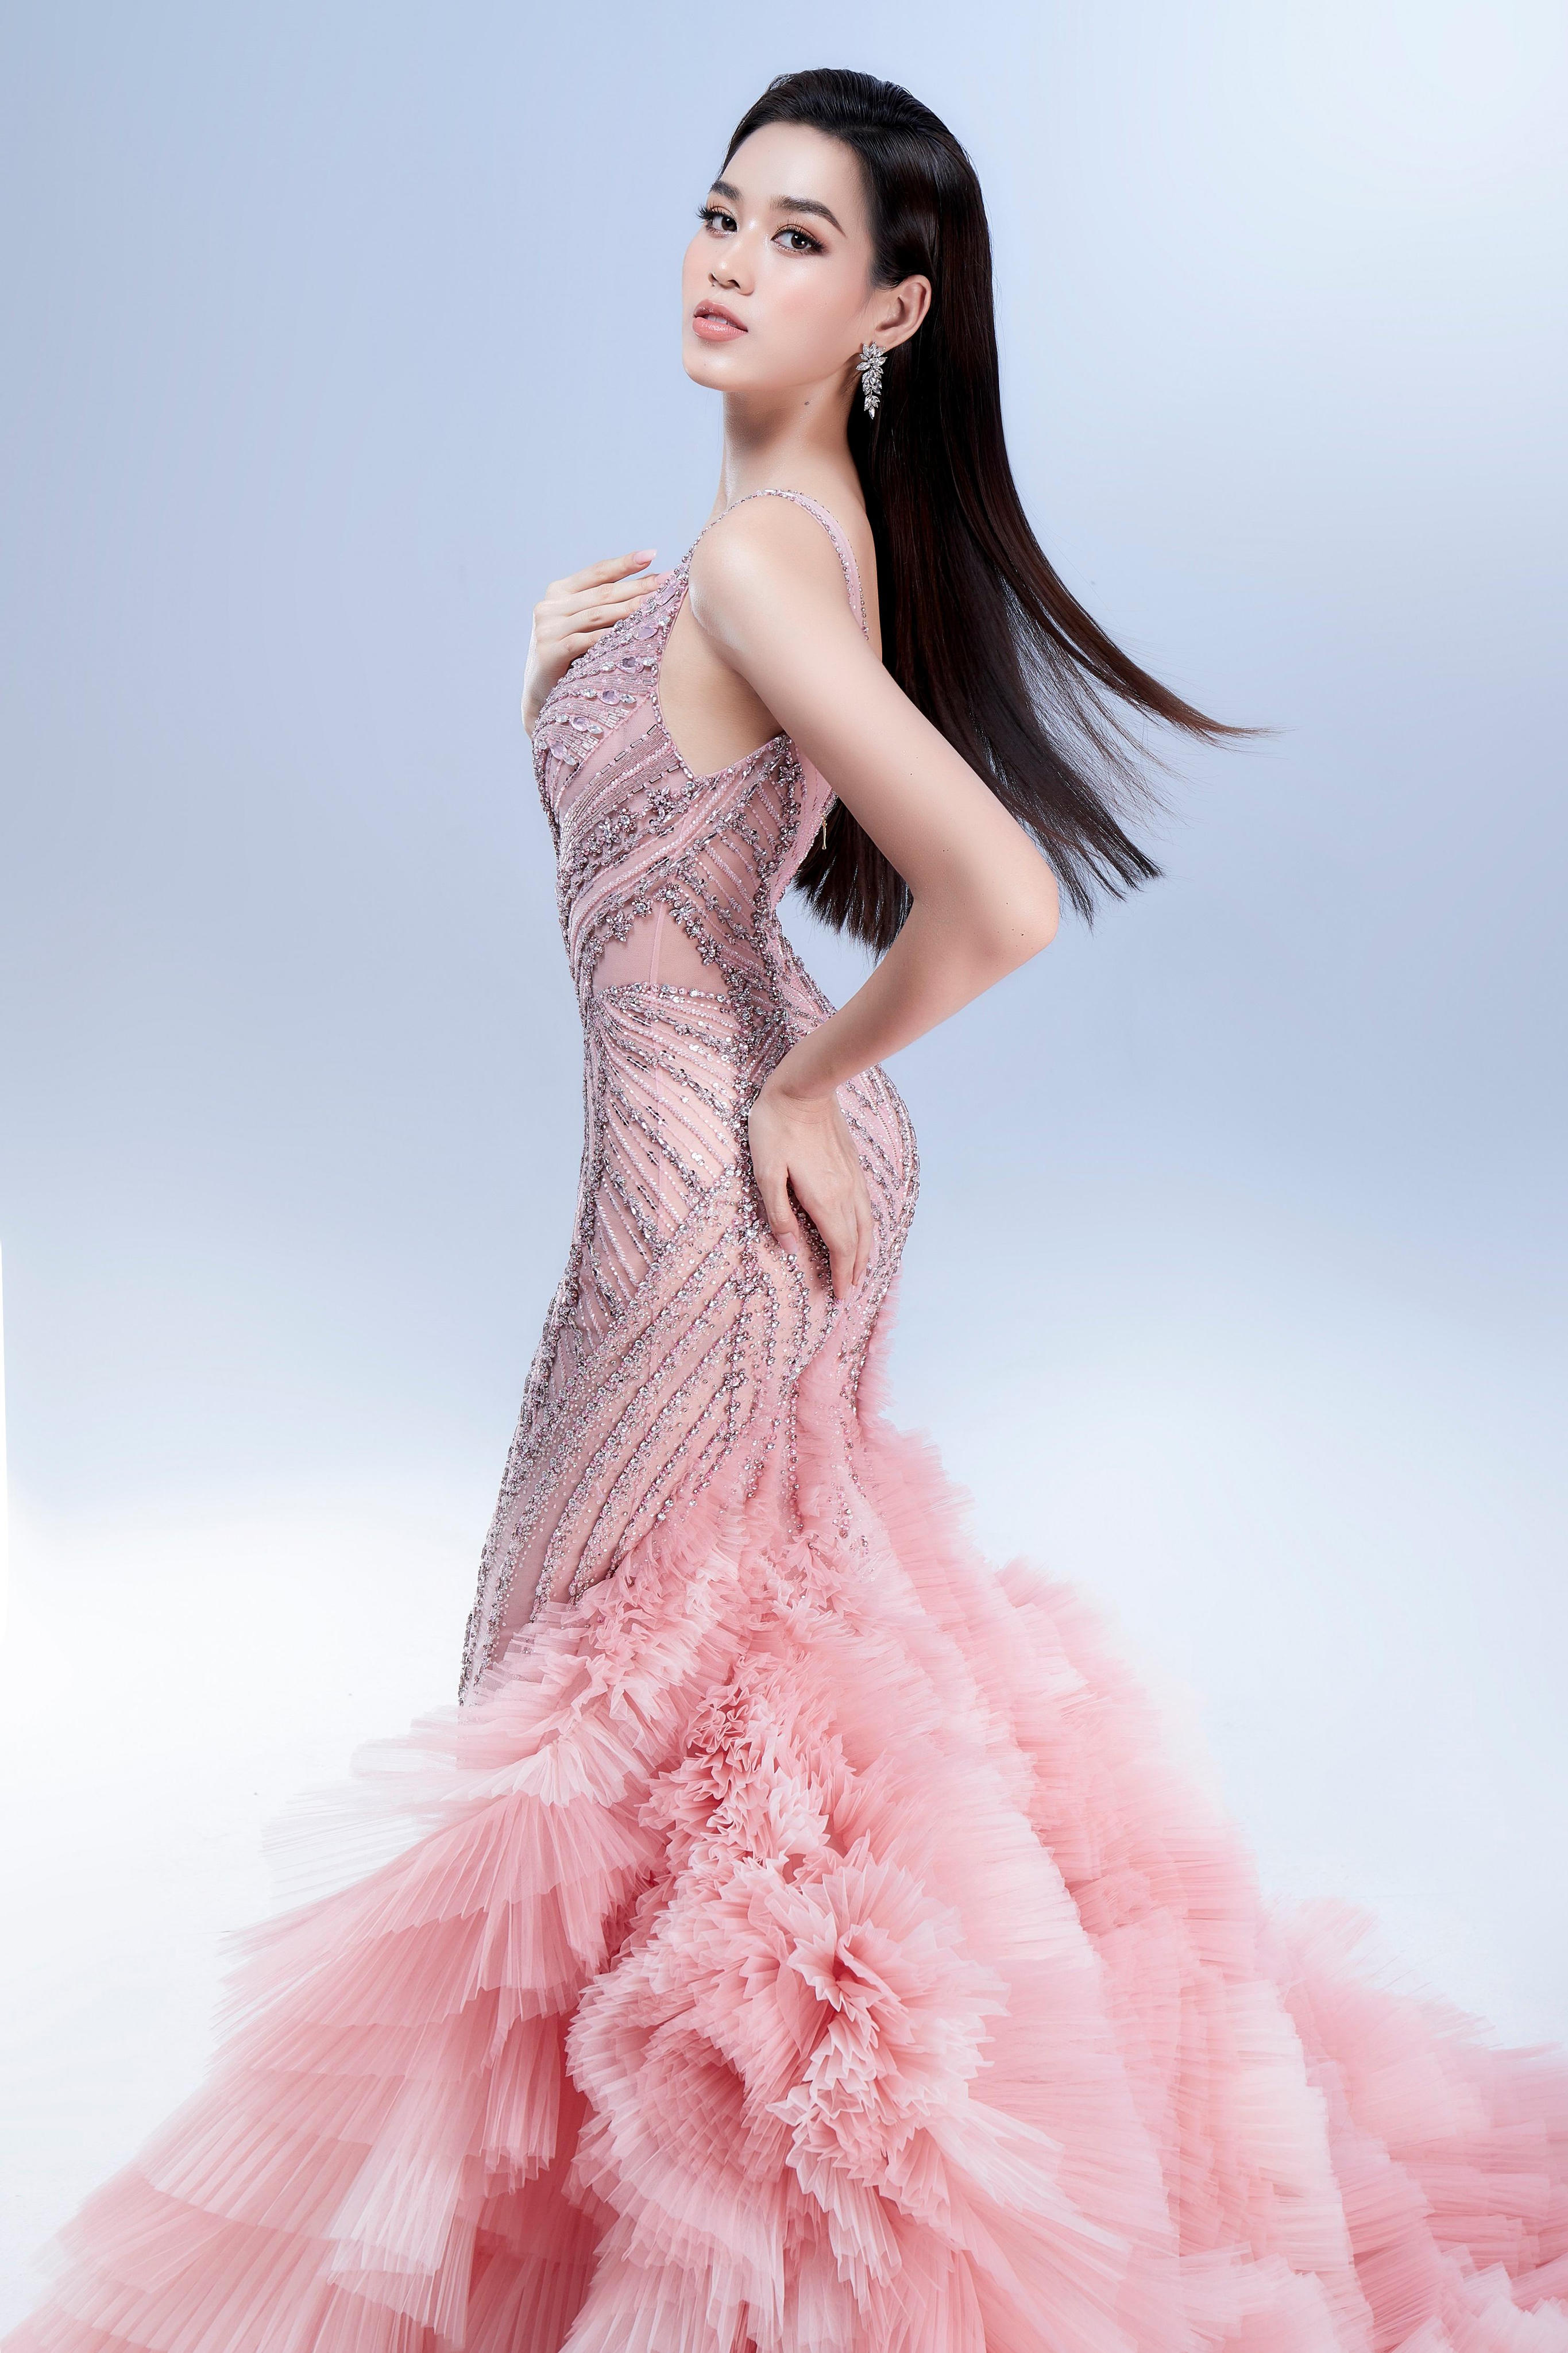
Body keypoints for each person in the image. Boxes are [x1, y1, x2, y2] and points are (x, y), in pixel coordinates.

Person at [8, 65, 1567, 2353]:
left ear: (893, 313)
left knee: (560, 1696)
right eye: (719, 211)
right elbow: (671, 864)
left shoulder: (760, 554)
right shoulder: (763, 543)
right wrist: (555, 705)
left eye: (798, 238)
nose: (728, 262)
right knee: (691, 1687)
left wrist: (809, 1085)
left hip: (700, 1180)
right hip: (717, 1146)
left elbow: (994, 893)